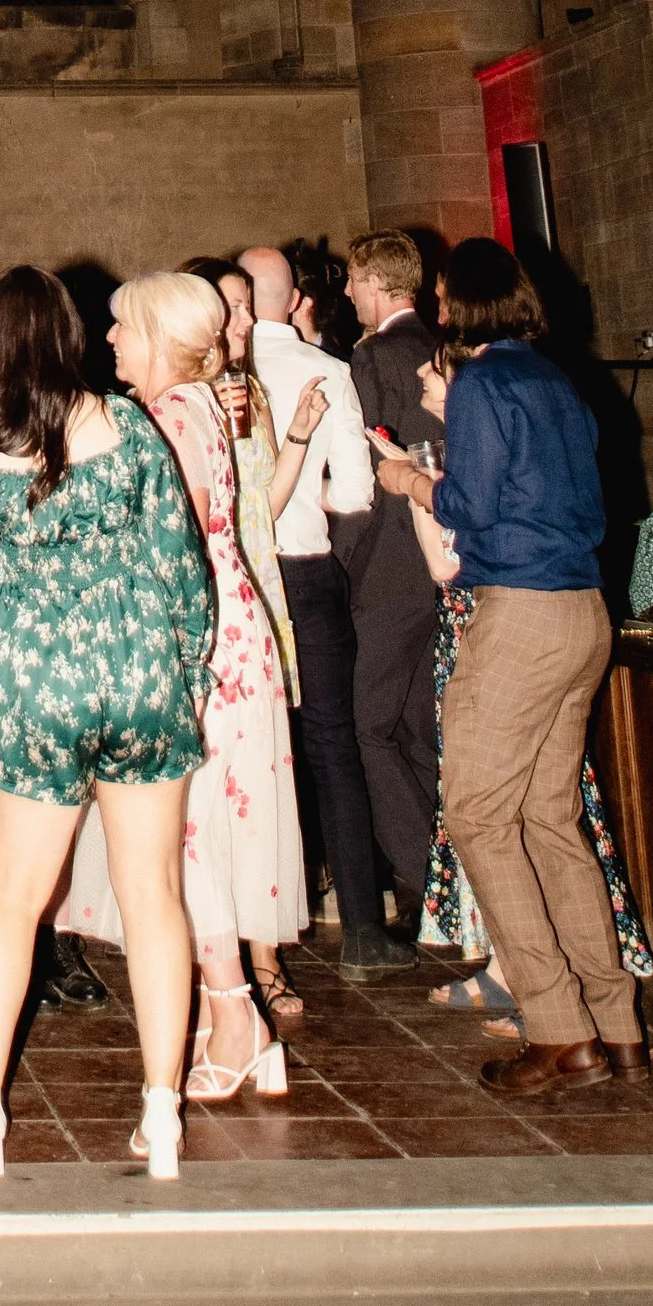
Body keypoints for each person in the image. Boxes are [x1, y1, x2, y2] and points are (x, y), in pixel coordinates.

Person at [0, 266, 213, 1180]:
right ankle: (162, 1112)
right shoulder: (128, 427)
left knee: (11, 899)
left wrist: (33, 595)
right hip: (140, 675)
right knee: (154, 896)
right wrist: (190, 666)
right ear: (67, 337)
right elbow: (181, 563)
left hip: (38, 687)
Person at [62, 272, 306, 1107]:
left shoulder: (167, 417)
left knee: (186, 835)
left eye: (122, 326)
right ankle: (229, 1017)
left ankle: (235, 1017)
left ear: (160, 335)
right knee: (196, 833)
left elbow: (172, 550)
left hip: (195, 643)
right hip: (232, 626)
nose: (110, 341)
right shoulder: (204, 405)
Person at [418, 237, 644, 1097]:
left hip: (521, 614)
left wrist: (413, 477)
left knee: (477, 812)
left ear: (463, 302)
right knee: (551, 818)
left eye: (444, 294)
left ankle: (556, 1028)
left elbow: (471, 504)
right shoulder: (562, 380)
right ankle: (616, 1025)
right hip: (586, 610)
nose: (439, 306)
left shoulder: (482, 381)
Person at [237, 241, 409, 981]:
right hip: (307, 570)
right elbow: (356, 493)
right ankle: (364, 929)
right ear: (294, 298)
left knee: (250, 748)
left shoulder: (219, 377)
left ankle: (251, 928)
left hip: (240, 575)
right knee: (334, 741)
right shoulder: (329, 370)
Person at [185, 256, 319, 1027]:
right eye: (231, 309)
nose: (244, 323)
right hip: (211, 604)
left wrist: (293, 436)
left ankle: (265, 960)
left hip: (255, 591)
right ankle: (218, 963)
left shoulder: (252, 390)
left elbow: (261, 507)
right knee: (212, 795)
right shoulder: (182, 399)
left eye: (244, 308)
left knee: (263, 790)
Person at [341, 227, 447, 935]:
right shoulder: (440, 350)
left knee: (369, 730)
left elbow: (365, 470)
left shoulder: (373, 354)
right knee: (419, 729)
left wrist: (343, 555)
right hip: (444, 565)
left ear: (377, 283)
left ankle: (430, 885)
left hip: (390, 564)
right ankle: (450, 879)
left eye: (353, 279)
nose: (347, 291)